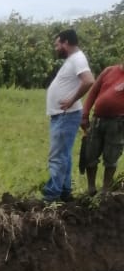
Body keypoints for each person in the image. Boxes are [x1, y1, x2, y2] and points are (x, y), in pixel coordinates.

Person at [43, 29, 94, 200]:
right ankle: (64, 191)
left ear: (66, 42)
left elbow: (89, 80)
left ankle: (52, 195)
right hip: (63, 115)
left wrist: (72, 100)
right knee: (63, 155)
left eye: (57, 44)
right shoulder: (73, 59)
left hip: (66, 115)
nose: (56, 48)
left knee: (57, 156)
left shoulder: (78, 59)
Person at [80, 58, 124, 196]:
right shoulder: (109, 71)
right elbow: (93, 92)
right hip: (97, 119)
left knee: (111, 155)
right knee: (90, 153)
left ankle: (105, 190)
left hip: (118, 122)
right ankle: (91, 188)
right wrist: (85, 114)